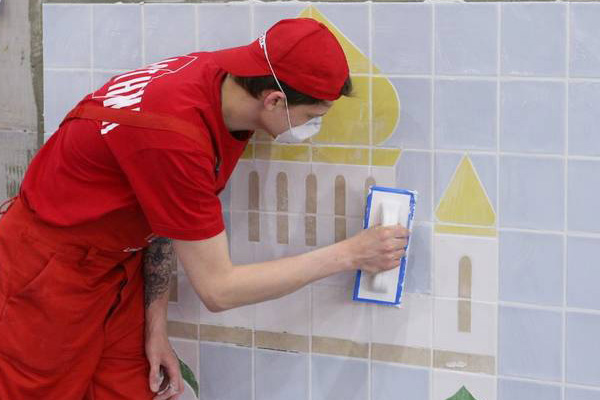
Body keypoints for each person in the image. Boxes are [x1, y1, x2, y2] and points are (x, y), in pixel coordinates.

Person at [0, 18, 410, 399]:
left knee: (130, 390)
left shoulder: (220, 82)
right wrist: (351, 254)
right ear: (273, 100)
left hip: (117, 267)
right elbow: (219, 289)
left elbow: (166, 214)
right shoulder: (174, 135)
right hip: (45, 275)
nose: (312, 128)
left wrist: (155, 327)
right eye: (312, 116)